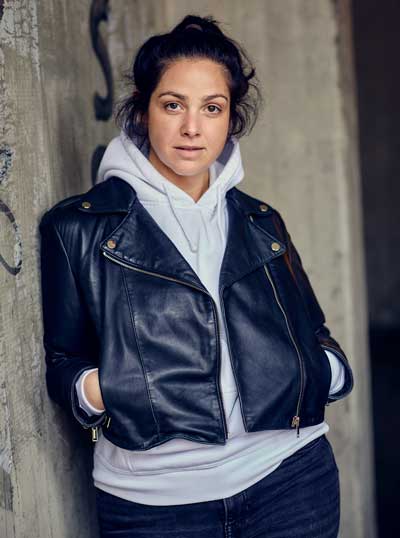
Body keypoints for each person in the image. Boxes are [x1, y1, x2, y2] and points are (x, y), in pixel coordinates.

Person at [39, 14, 354, 538]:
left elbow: (314, 334)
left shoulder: (261, 222)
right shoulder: (78, 228)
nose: (192, 127)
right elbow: (64, 364)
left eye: (212, 108)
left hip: (291, 482)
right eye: (173, 105)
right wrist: (109, 388)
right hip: (153, 505)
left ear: (231, 118)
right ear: (142, 109)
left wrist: (324, 371)